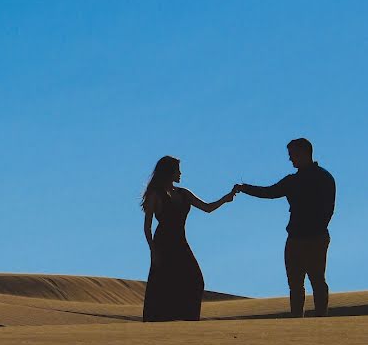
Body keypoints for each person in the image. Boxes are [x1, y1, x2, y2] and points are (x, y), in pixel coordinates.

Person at [234, 138, 335, 318]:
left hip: (315, 238)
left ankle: (321, 320)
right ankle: (297, 321)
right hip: (296, 238)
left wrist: (315, 230)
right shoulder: (294, 180)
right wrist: (245, 188)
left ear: (304, 153)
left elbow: (328, 209)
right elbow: (269, 192)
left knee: (317, 280)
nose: (290, 159)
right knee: (296, 283)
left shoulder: (323, 178)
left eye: (293, 155)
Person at [141, 156, 236, 322]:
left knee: (195, 280)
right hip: (163, 243)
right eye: (177, 169)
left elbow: (207, 208)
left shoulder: (184, 193)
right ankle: (162, 322)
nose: (180, 173)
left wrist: (225, 199)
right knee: (164, 284)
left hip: (180, 241)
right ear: (168, 171)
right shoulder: (155, 194)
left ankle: (188, 320)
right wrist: (153, 251)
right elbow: (147, 227)